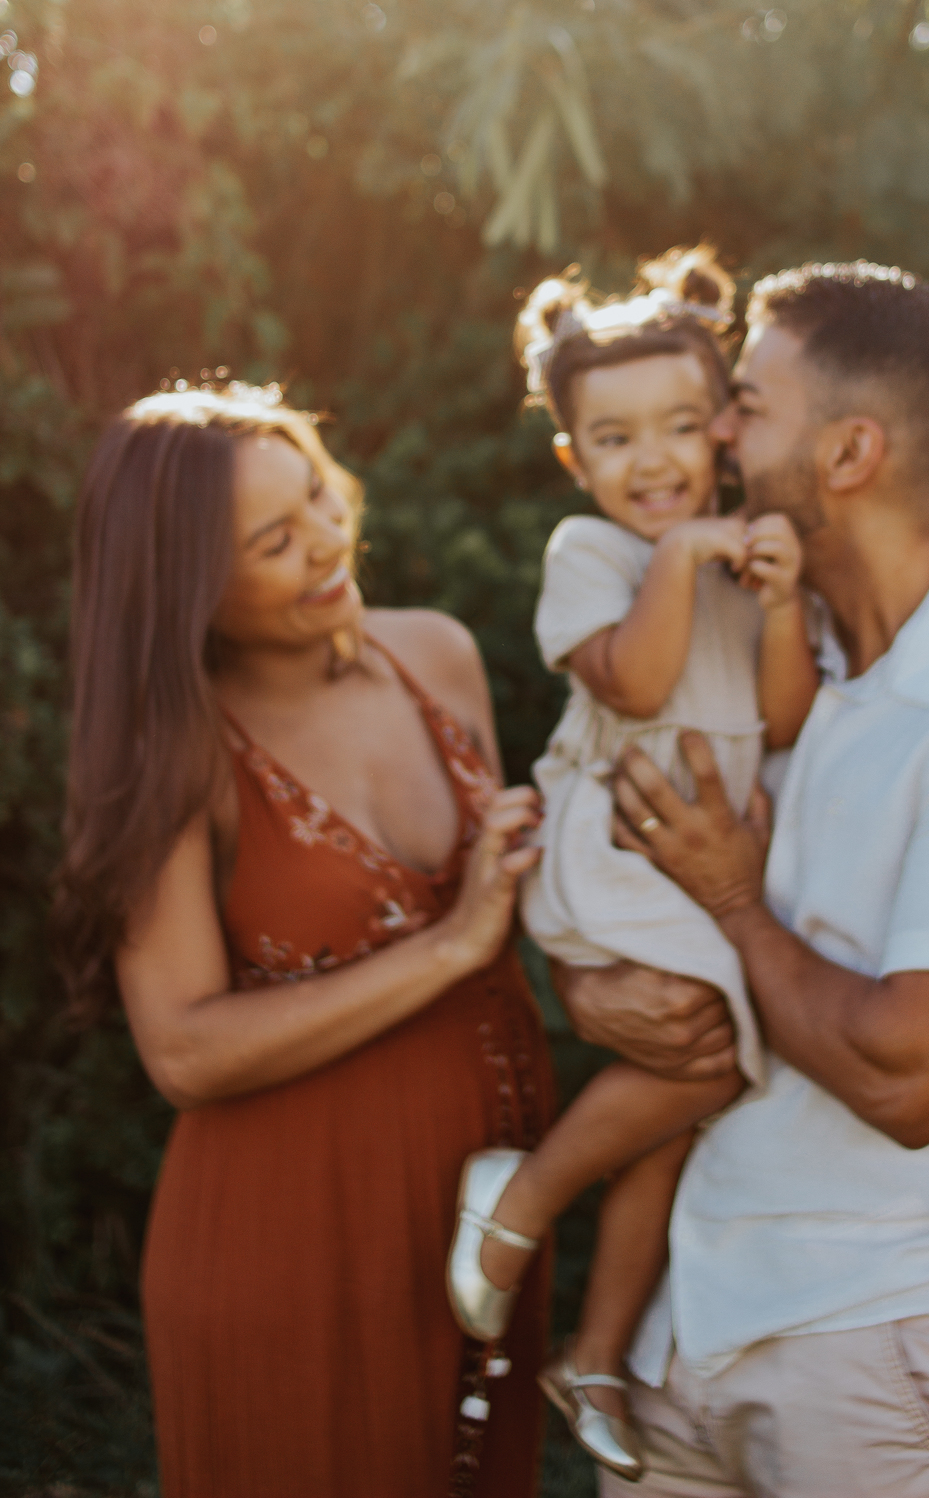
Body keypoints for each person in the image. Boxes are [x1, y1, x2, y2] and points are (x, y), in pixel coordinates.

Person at [555, 261, 929, 1498]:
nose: (715, 432)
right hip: (685, 1326)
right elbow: (628, 892)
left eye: (746, 405)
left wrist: (732, 906)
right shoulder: (765, 649)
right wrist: (595, 989)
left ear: (850, 451)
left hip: (880, 1335)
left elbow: (909, 1077)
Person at [54, 382, 556, 1498]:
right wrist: (450, 946)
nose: (328, 542)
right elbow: (181, 1051)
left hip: (484, 1210)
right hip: (292, 1240)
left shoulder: (438, 655)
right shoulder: (179, 752)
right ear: (190, 589)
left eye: (320, 499)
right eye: (274, 541)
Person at [445, 249, 817, 1479]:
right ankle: (522, 1198)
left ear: (722, 430)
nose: (651, 461)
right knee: (712, 1051)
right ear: (575, 459)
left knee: (680, 1102)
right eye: (614, 439)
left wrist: (778, 605)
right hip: (610, 852)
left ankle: (595, 1353)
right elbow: (638, 682)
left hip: (689, 866)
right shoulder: (595, 554)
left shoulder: (744, 558)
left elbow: (784, 719)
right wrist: (681, 557)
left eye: (677, 427)